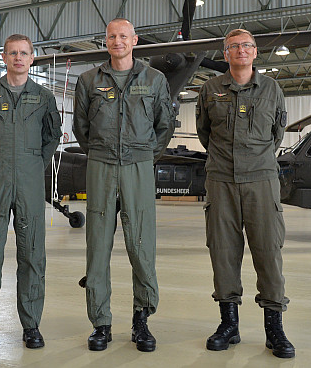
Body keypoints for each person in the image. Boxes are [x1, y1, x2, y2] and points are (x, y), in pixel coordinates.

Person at [73, 18, 175, 352]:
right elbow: (81, 127)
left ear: (134, 41)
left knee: (141, 244)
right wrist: (102, 153)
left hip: (138, 167)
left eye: (123, 36)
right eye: (112, 36)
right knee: (97, 246)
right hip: (101, 166)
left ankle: (141, 318)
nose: (118, 41)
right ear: (106, 41)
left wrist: (144, 156)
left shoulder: (154, 79)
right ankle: (100, 323)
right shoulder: (89, 80)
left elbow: (164, 126)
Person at [196, 29, 295, 359]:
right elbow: (204, 133)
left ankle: (274, 328)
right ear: (225, 54)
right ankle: (229, 324)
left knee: (268, 250)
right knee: (222, 251)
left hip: (261, 180)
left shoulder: (271, 89)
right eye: (234, 46)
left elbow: (277, 133)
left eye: (247, 46)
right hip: (221, 178)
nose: (241, 50)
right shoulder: (210, 90)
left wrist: (255, 159)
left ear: (255, 53)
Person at [0, 34, 62, 349]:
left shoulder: (44, 97)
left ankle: (31, 326)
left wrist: (34, 164)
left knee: (32, 255)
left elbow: (52, 136)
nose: (18, 58)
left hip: (30, 183)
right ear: (4, 58)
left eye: (24, 53)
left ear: (32, 58)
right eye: (12, 53)